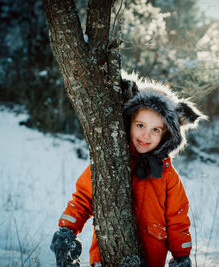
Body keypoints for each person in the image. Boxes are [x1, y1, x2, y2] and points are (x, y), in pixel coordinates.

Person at [50, 75, 207, 267]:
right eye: (140, 125)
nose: (146, 135)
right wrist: (67, 229)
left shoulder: (167, 175)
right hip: (107, 255)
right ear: (129, 123)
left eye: (156, 130)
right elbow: (83, 198)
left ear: (167, 135)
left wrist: (182, 255)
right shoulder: (112, 161)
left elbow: (177, 218)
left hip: (150, 259)